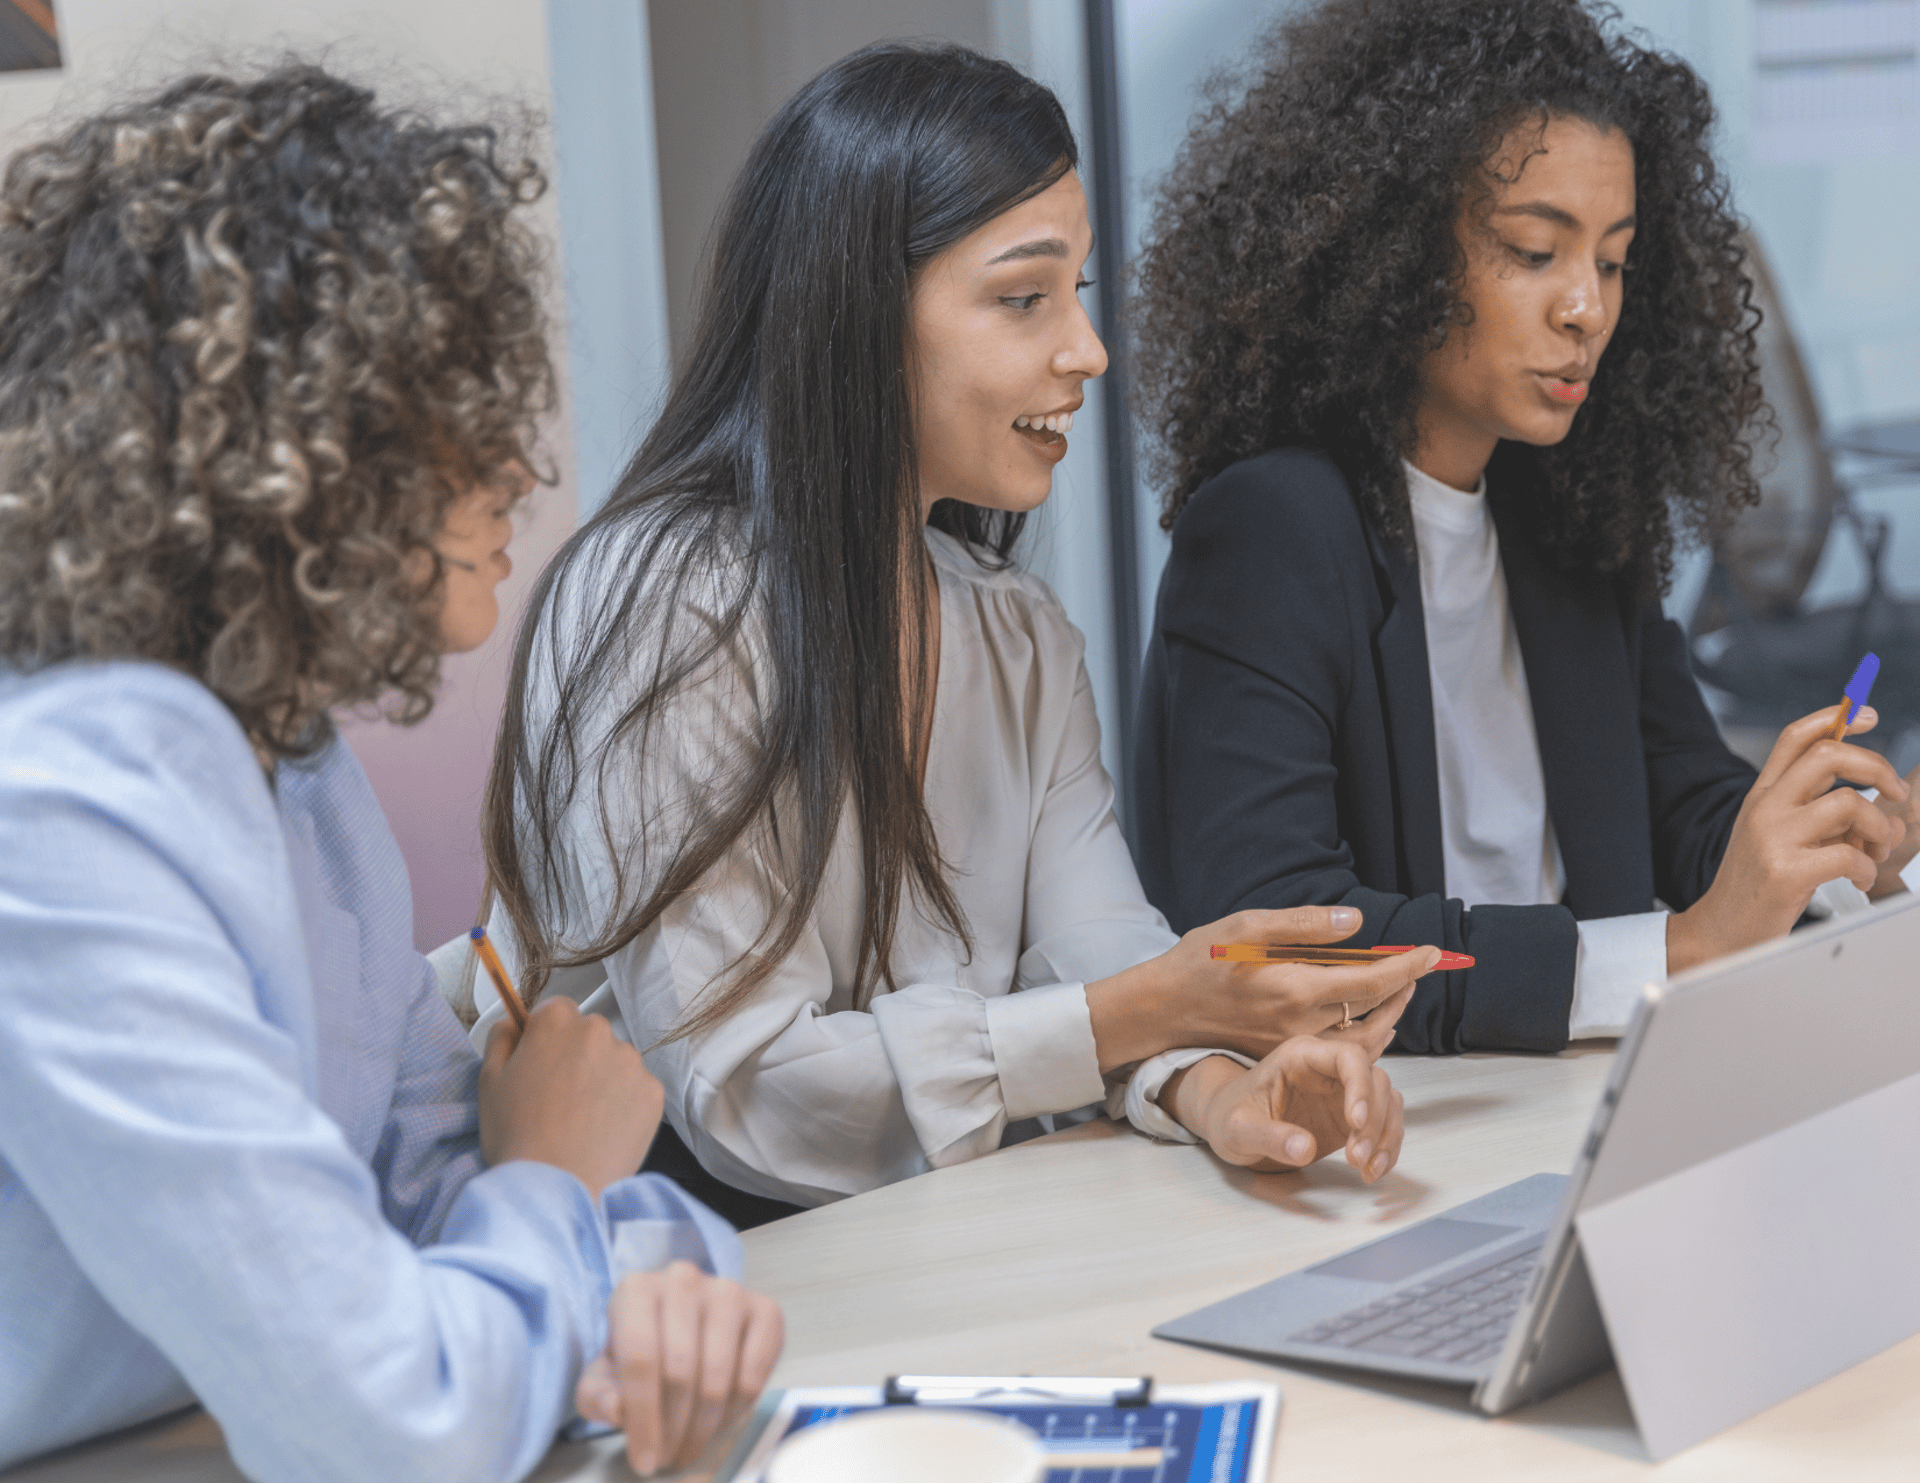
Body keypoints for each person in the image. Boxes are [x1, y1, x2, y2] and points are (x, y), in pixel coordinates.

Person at [481, 43, 1437, 1222]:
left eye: (1077, 293)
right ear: (859, 316)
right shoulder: (663, 603)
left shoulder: (1018, 632)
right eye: (1023, 297)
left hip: (933, 1237)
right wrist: (1159, 1011)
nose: (1087, 351)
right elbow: (746, 1094)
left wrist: (1218, 1084)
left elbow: (1101, 943)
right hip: (688, 1273)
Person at [0, 66, 778, 1480]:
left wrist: (661, 1281)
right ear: (282, 449)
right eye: (451, 410)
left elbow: (437, 1197)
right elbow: (389, 1417)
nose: (520, 470)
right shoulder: (58, 810)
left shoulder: (288, 758)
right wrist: (553, 1174)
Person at [1127, 0, 1916, 1055]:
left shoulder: (1567, 514)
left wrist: (1813, 836)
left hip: (1587, 1092)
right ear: (1395, 250)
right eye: (1534, 250)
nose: (1586, 306)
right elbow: (1279, 939)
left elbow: (1683, 806)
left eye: (1614, 260)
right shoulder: (1274, 529)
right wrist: (1678, 950)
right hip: (1394, 1132)